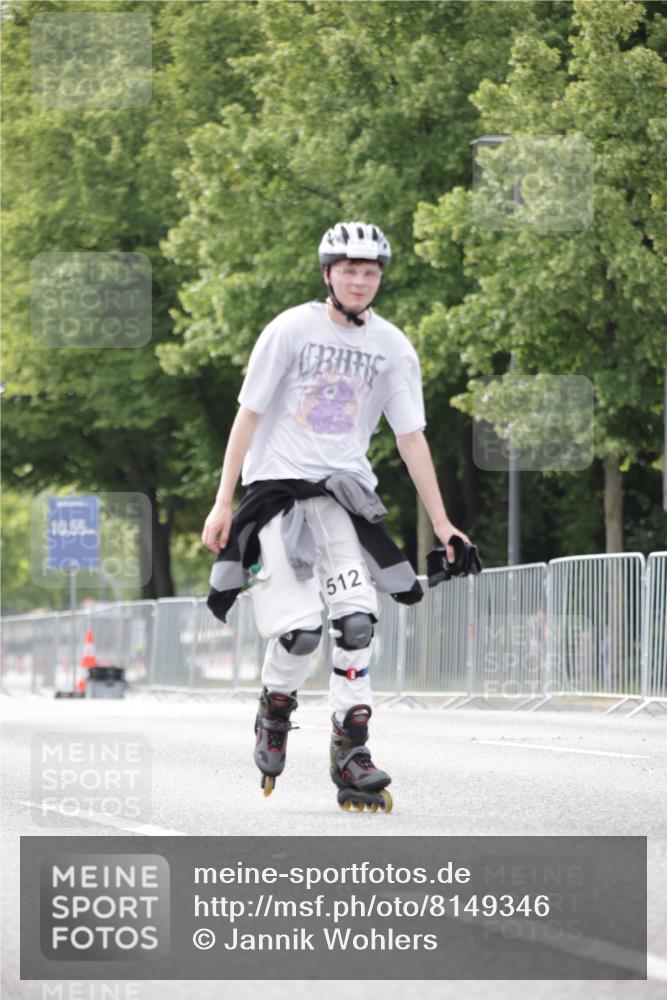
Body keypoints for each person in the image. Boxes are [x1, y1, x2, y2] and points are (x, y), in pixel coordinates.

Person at [202, 221, 475, 811]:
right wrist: (223, 501)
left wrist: (445, 522)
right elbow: (247, 417)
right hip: (276, 497)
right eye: (348, 270)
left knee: (356, 624)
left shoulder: (393, 348)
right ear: (328, 274)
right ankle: (276, 707)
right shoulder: (290, 330)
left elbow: (411, 438)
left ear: (380, 279)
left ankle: (351, 748)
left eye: (370, 271)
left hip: (344, 499)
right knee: (300, 633)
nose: (359, 280)